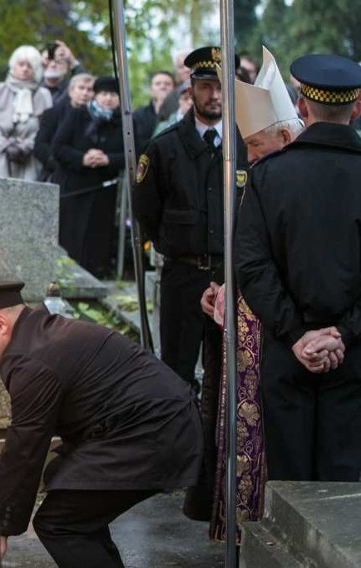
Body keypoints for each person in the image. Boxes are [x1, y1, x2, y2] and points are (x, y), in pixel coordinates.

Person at [0, 282, 202, 568]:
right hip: (144, 426)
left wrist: (0, 530)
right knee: (75, 510)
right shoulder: (36, 336)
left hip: (153, 431)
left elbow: (26, 449)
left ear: (1, 323)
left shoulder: (33, 362)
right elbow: (22, 440)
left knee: (62, 523)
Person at [234, 54, 361, 485]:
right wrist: (343, 332)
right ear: (357, 108)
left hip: (289, 352)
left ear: (302, 108)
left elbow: (251, 265)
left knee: (290, 488)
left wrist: (296, 334)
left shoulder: (269, 175)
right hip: (355, 351)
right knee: (347, 491)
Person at [132, 46, 247, 521]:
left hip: (230, 276)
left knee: (225, 373)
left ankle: (217, 470)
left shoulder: (243, 144)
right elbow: (147, 212)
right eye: (206, 86)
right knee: (176, 370)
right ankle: (175, 461)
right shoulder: (164, 146)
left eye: (221, 87)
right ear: (190, 91)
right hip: (182, 274)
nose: (214, 94)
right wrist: (174, 245)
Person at [199, 46, 304, 544]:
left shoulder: (293, 177)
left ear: (287, 134)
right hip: (246, 321)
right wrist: (224, 288)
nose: (252, 157)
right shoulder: (262, 172)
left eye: (258, 147)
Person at [52, 76, 124, 278]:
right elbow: (58, 147)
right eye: (103, 94)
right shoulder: (78, 116)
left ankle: (96, 274)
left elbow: (132, 154)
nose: (108, 99)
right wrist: (82, 158)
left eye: (113, 94)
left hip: (103, 189)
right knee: (71, 234)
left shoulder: (124, 122)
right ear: (96, 95)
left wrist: (108, 159)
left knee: (97, 237)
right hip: (75, 186)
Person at [0, 45, 52, 180]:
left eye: (29, 66)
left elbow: (47, 127)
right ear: (13, 65)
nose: (25, 69)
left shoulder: (43, 94)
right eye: (21, 64)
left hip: (30, 158)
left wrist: (26, 146)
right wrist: (4, 145)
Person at [33, 73, 94, 182]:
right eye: (81, 88)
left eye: (89, 90)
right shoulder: (52, 114)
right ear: (71, 91)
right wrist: (61, 164)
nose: (85, 93)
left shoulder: (97, 118)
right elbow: (40, 146)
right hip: (56, 174)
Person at [133, 71, 175, 153]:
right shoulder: (139, 115)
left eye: (167, 84)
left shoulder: (182, 113)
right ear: (150, 90)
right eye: (158, 84)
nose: (163, 87)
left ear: (174, 89)